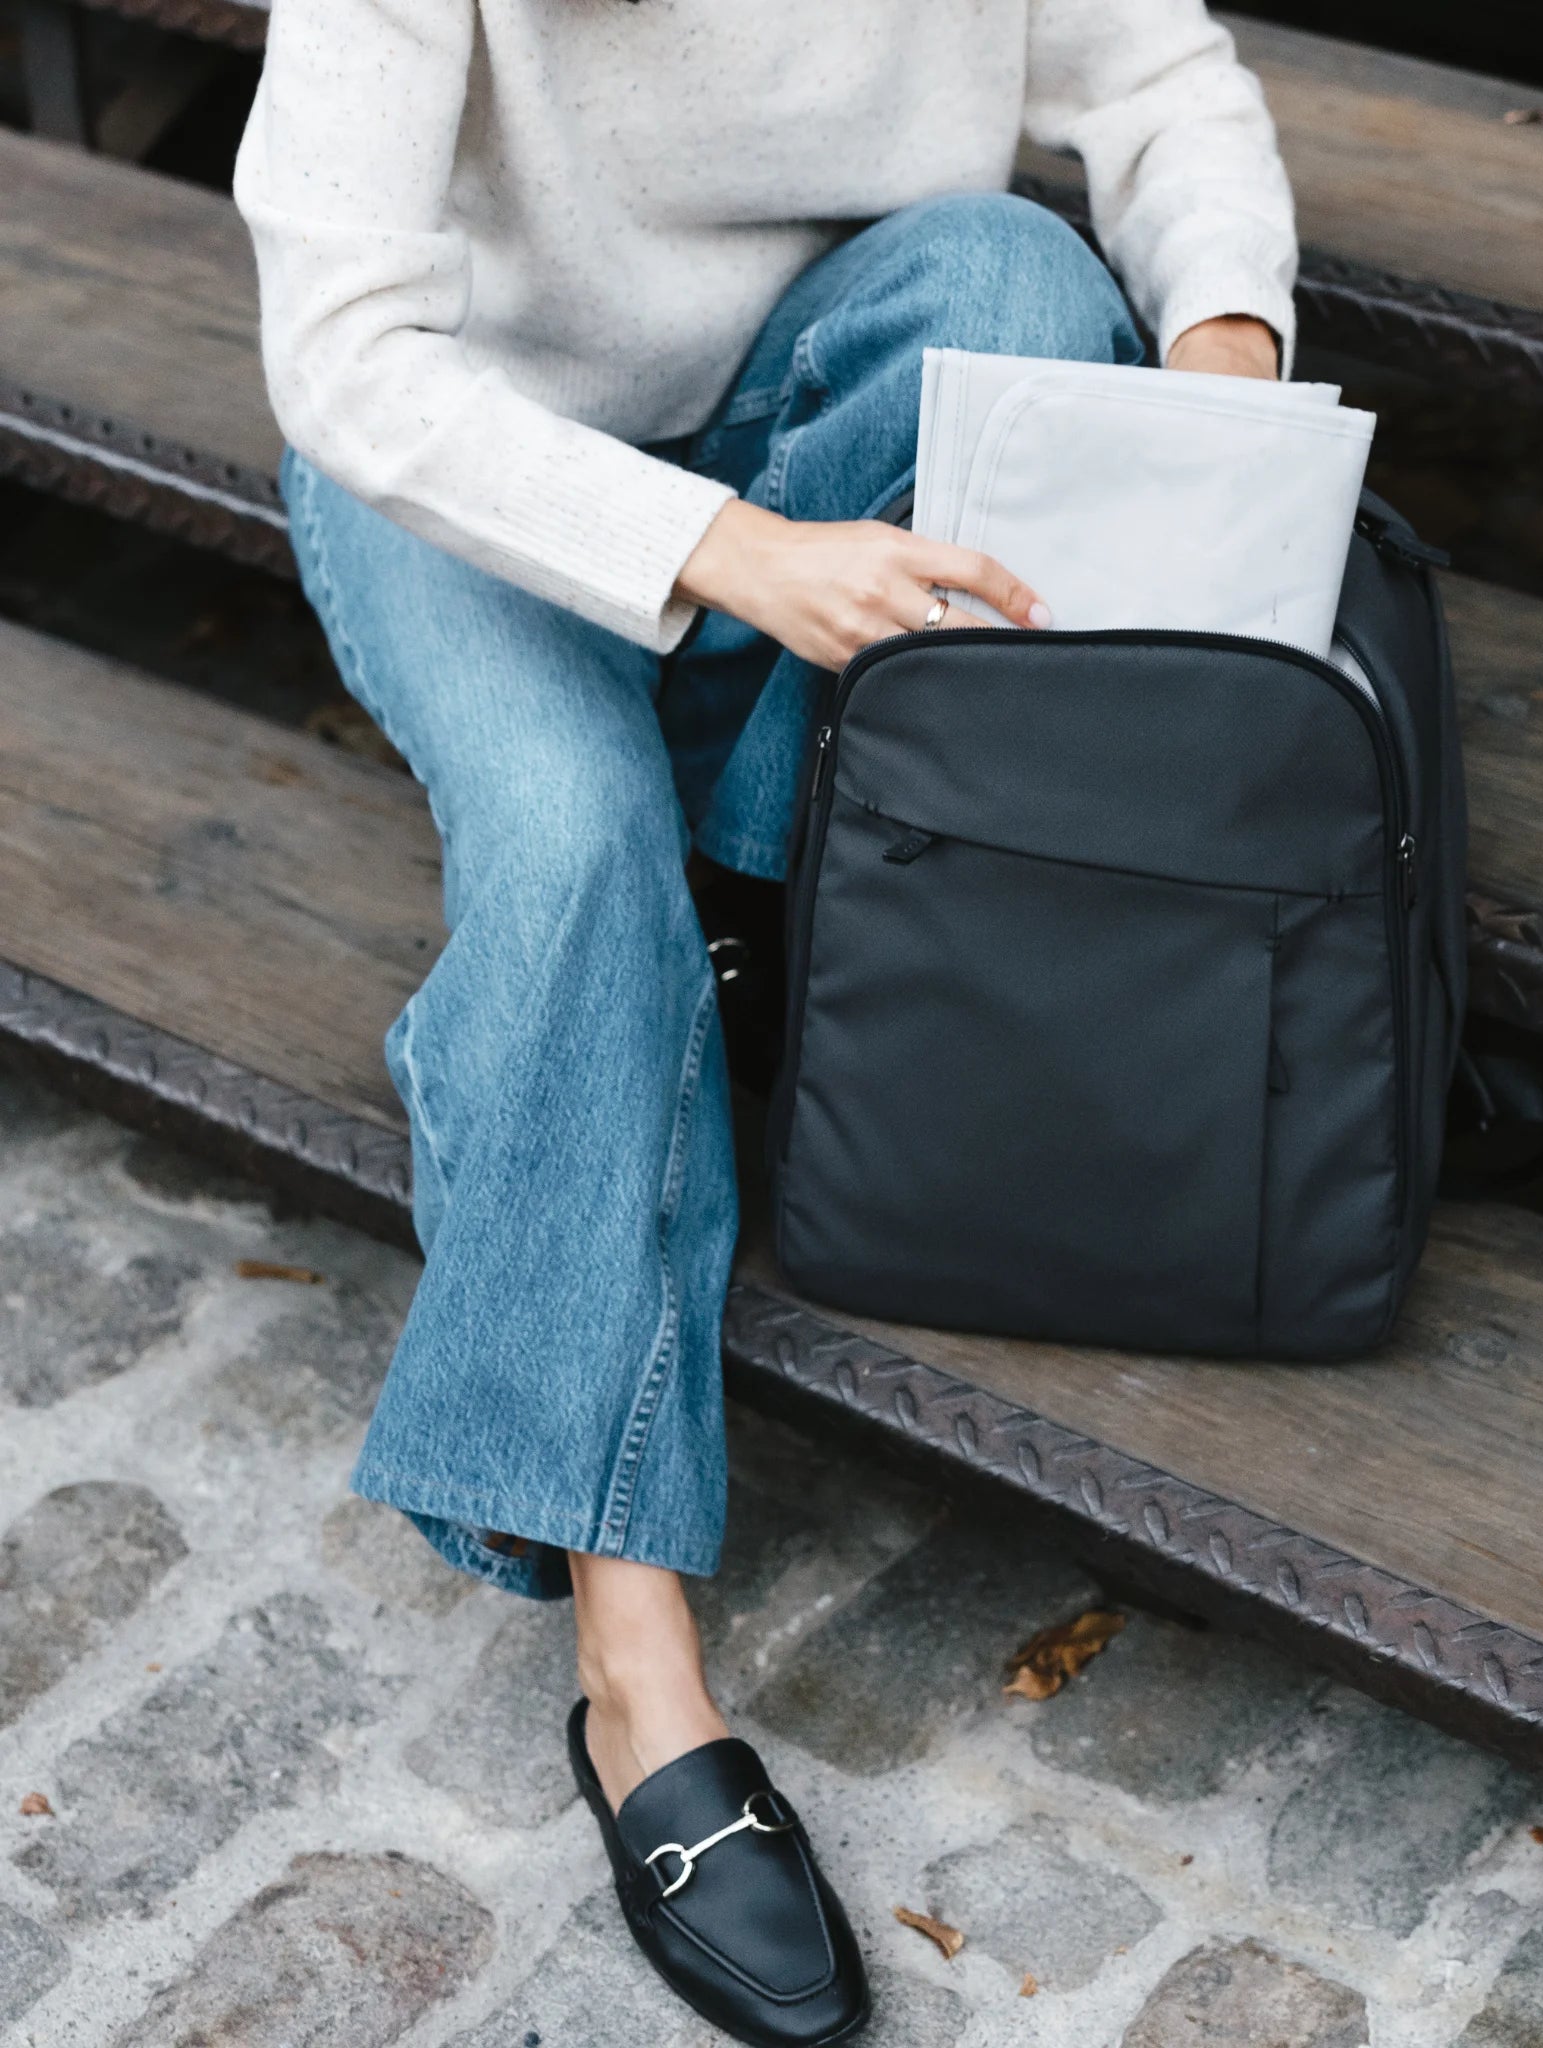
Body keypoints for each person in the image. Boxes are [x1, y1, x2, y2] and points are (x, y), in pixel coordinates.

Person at [235, 3, 1296, 2037]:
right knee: (562, 855)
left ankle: (681, 923)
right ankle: (635, 1665)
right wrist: (731, 556)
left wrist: (1222, 359)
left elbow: (1160, 82)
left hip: (795, 410)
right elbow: (347, 358)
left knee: (1018, 280)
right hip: (455, 461)